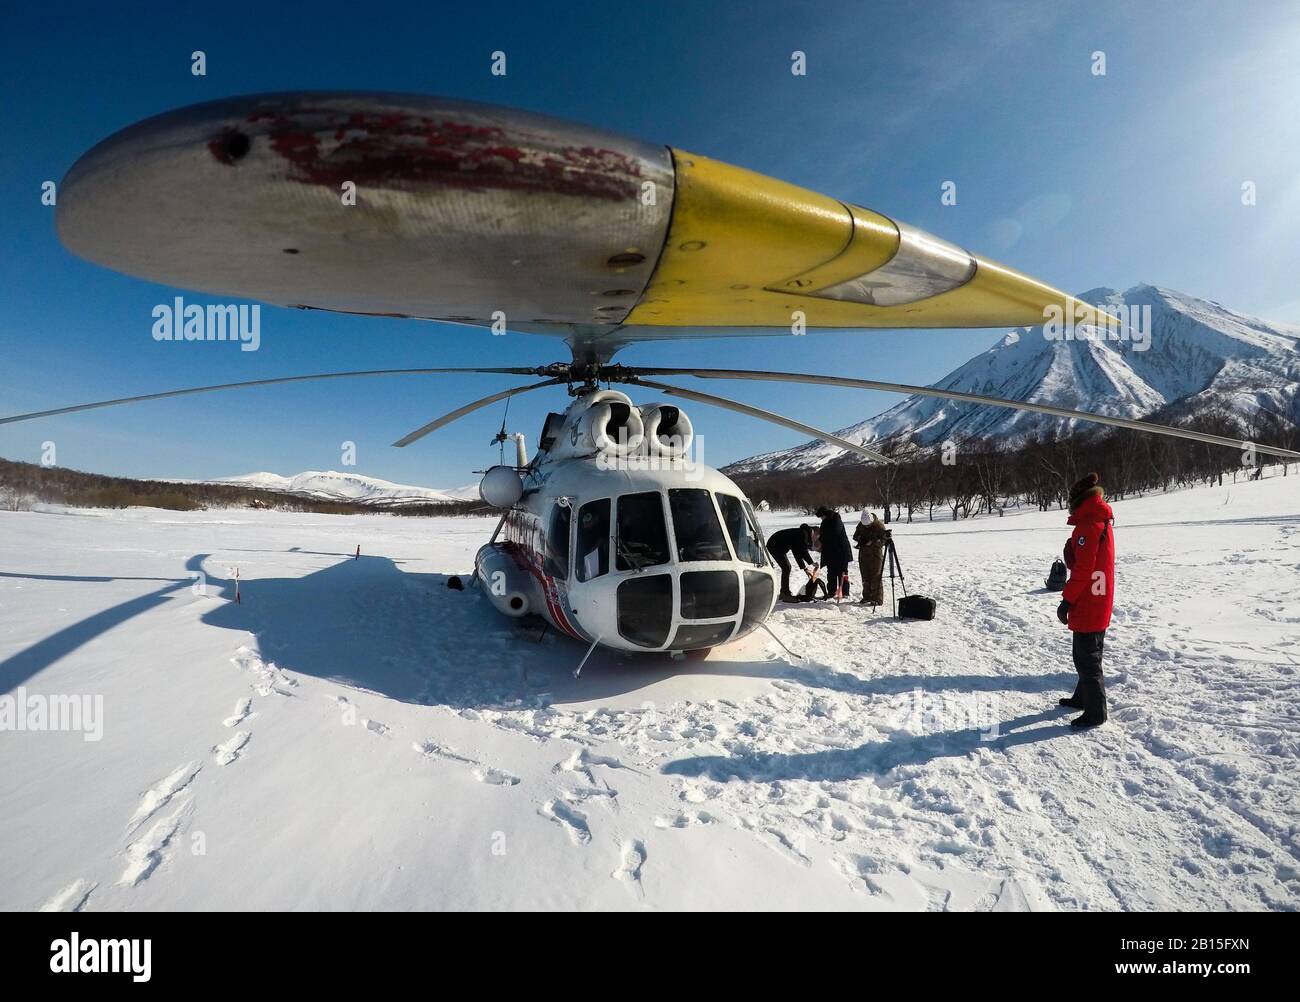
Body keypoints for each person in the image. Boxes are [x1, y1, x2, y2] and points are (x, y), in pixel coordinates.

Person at [1056, 472, 1116, 729]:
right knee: (1088, 655)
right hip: (1098, 598)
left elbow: (1083, 570)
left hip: (1090, 600)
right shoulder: (1100, 520)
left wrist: (1066, 600)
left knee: (1086, 658)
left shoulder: (1088, 527)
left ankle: (1096, 712)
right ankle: (1083, 698)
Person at [766, 524, 816, 601]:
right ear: (813, 532)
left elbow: (798, 553)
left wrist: (805, 568)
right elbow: (801, 553)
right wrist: (812, 563)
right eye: (815, 536)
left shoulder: (802, 533)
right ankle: (785, 594)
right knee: (786, 568)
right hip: (775, 545)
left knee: (786, 567)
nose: (814, 539)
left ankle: (784, 592)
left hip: (775, 545)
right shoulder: (802, 535)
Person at [815, 506, 853, 600]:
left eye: (822, 517)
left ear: (825, 514)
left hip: (841, 551)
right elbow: (824, 534)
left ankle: (845, 592)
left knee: (842, 572)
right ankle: (831, 592)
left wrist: (822, 539)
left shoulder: (836, 520)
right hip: (830, 552)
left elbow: (834, 534)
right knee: (831, 573)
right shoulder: (825, 522)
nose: (821, 519)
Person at [853, 510, 888, 606]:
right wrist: (861, 539)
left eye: (868, 525)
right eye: (865, 526)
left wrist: (873, 542)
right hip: (863, 553)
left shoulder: (879, 526)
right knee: (865, 576)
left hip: (875, 554)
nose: (866, 527)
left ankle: (877, 598)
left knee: (876, 576)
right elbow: (855, 536)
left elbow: (884, 540)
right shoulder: (861, 524)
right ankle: (867, 596)